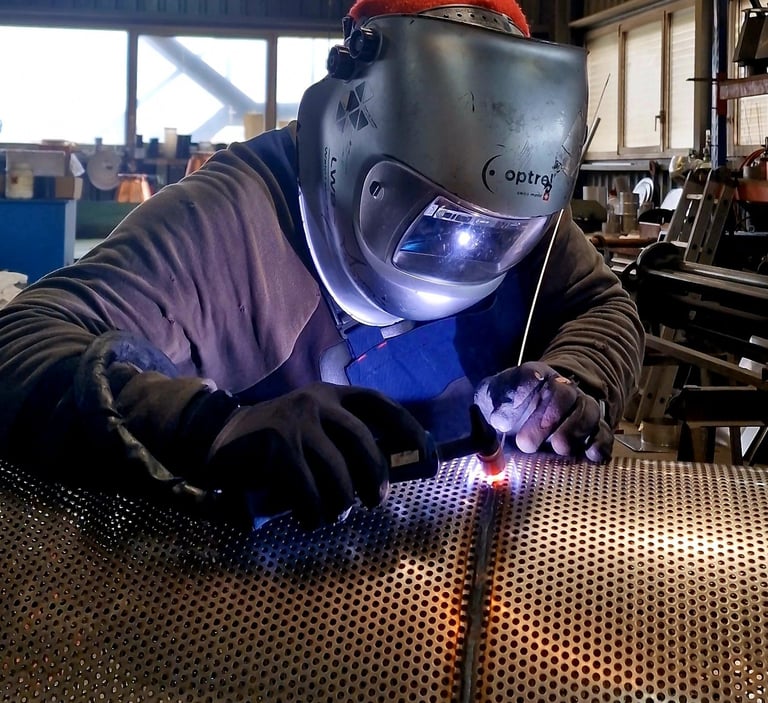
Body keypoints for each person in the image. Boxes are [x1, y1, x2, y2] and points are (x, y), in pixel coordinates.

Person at [0, 0, 644, 530]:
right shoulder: (233, 218)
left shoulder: (518, 207)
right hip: (260, 619)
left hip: (458, 592)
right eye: (437, 206)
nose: (466, 239)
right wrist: (211, 430)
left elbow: (601, 305)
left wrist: (567, 384)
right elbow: (20, 341)